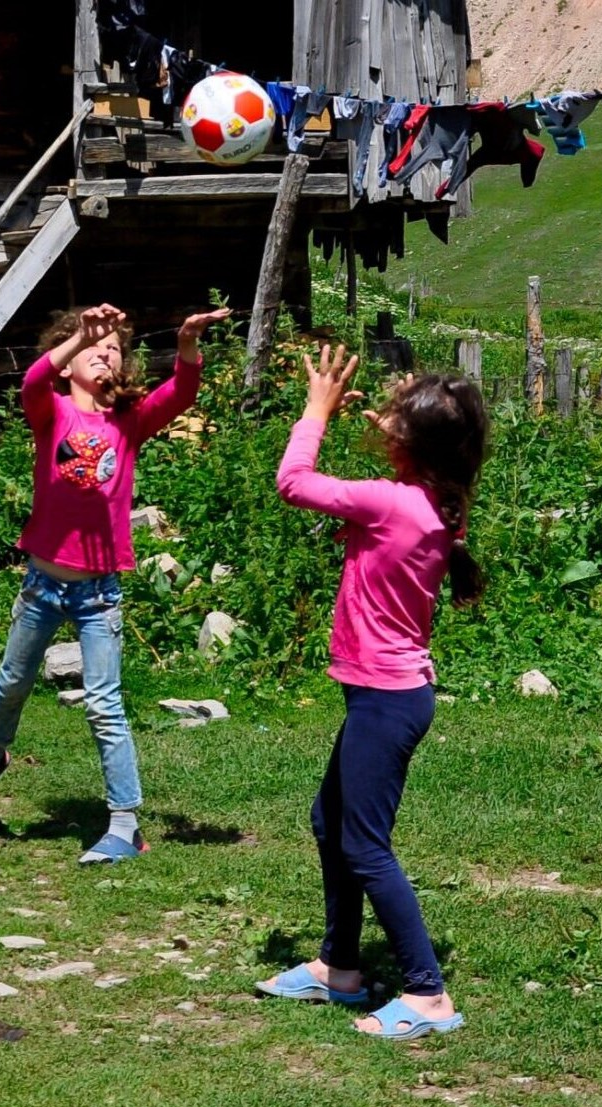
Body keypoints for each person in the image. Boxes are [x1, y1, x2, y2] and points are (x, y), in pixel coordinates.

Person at [257, 345, 487, 1041]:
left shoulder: (391, 503)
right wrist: (383, 428)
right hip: (385, 696)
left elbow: (292, 481)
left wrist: (316, 409)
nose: (378, 417)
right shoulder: (425, 504)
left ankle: (427, 995)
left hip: (386, 701)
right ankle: (340, 968)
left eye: (389, 415)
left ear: (409, 443)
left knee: (363, 845)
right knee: (332, 825)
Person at [0, 302, 230, 863]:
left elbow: (181, 393)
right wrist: (80, 333)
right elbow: (30, 380)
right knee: (11, 683)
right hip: (42, 585)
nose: (104, 354)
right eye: (91, 351)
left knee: (105, 705)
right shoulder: (49, 412)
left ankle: (125, 825)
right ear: (66, 363)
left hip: (99, 592)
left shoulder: (127, 422)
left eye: (114, 351)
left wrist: (187, 343)